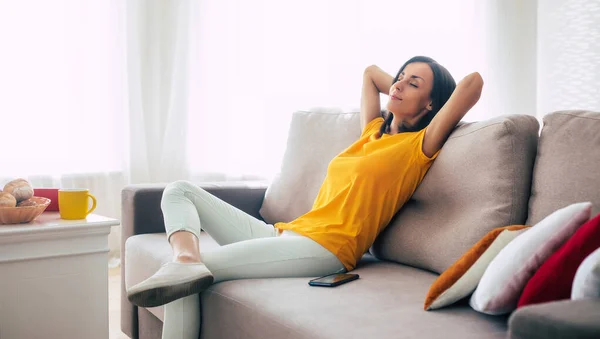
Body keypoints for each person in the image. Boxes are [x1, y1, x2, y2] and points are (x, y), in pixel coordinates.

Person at [126, 55, 483, 338]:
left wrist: (414, 99)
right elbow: (370, 73)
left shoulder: (418, 146)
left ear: (432, 104)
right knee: (179, 190)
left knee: (182, 281)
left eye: (413, 82)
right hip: (286, 233)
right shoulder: (371, 132)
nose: (400, 83)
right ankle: (185, 257)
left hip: (325, 249)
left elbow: (473, 83)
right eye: (401, 76)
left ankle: (185, 267)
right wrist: (405, 88)